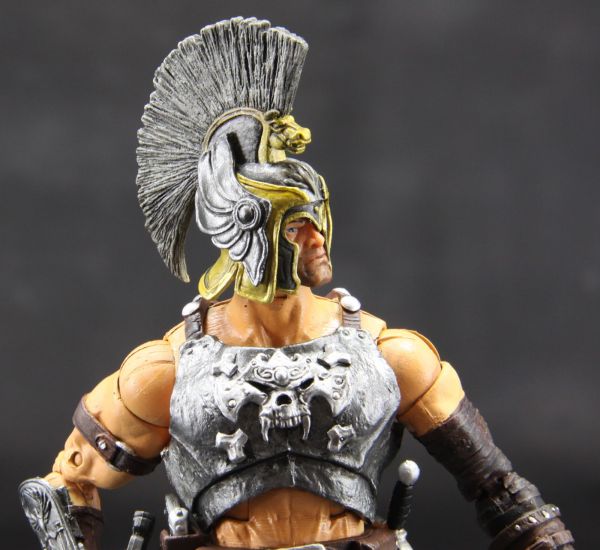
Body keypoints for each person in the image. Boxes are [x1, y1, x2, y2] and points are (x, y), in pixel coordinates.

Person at [19, 17, 574, 550]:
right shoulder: (166, 373)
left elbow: (503, 492)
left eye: (316, 219)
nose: (315, 241)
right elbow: (63, 487)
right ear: (244, 228)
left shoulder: (392, 358)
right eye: (293, 226)